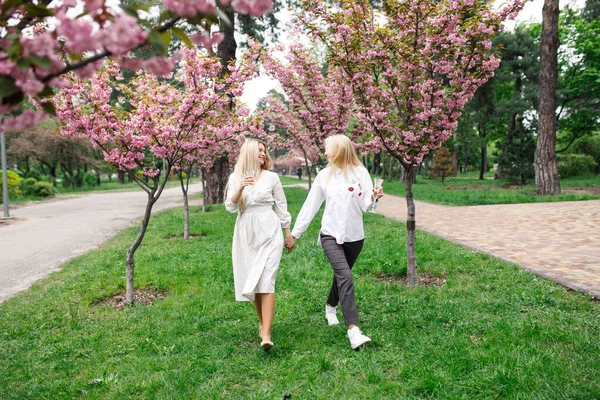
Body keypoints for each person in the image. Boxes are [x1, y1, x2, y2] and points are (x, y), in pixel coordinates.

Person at [286, 135, 383, 350]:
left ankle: (331, 306)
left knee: (342, 275)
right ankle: (354, 331)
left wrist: (374, 198)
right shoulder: (324, 176)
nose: (326, 153)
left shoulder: (361, 173)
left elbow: (367, 207)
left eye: (328, 149)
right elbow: (310, 207)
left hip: (355, 237)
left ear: (339, 150)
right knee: (345, 276)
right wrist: (295, 234)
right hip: (330, 235)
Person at [225, 139, 295, 351]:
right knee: (253, 280)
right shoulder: (235, 177)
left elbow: (281, 206)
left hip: (269, 229)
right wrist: (240, 188)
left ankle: (266, 333)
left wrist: (288, 233)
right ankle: (263, 324)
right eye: (259, 152)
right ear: (248, 154)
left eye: (264, 151)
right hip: (246, 231)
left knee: (267, 279)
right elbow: (229, 206)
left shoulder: (272, 177)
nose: (263, 155)